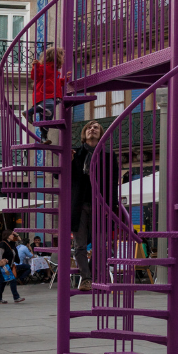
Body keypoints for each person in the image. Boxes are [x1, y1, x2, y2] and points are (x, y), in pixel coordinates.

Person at [68, 120, 116, 292]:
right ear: (84, 133)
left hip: (100, 205)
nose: (92, 129)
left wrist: (109, 206)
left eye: (96, 127)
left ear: (101, 133)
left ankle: (96, 275)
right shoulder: (75, 153)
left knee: (100, 245)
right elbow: (63, 178)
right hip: (78, 205)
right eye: (89, 127)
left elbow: (113, 184)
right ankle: (86, 278)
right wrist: (69, 161)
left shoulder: (109, 156)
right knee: (80, 245)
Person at [27, 47, 65, 143]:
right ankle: (30, 112)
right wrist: (35, 67)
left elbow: (57, 83)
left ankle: (43, 138)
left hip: (52, 96)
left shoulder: (56, 71)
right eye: (61, 56)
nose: (63, 59)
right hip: (44, 95)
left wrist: (65, 80)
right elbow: (34, 76)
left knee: (46, 119)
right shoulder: (44, 67)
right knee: (50, 105)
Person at [0, 229, 24, 303]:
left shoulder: (12, 243)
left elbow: (20, 243)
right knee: (12, 280)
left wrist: (17, 235)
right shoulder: (2, 244)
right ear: (7, 235)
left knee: (3, 283)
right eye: (12, 234)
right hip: (4, 266)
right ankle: (16, 297)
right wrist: (1, 263)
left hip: (10, 266)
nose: (13, 236)